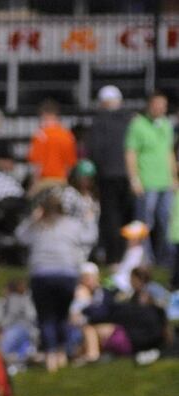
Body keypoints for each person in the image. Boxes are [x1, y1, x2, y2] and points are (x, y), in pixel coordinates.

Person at [15, 190, 97, 372]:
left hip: (41, 276)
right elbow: (90, 237)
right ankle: (61, 354)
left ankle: (51, 358)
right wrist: (90, 218)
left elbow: (20, 236)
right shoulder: (72, 224)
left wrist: (31, 218)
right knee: (61, 315)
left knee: (46, 317)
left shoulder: (37, 226)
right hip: (66, 275)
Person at [125, 91, 176, 266]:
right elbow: (131, 153)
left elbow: (169, 152)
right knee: (146, 222)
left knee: (166, 220)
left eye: (163, 105)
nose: (160, 108)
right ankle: (145, 258)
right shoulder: (138, 124)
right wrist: (134, 178)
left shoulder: (166, 125)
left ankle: (165, 259)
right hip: (147, 181)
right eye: (157, 104)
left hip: (165, 182)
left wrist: (174, 177)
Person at [87, 85, 134, 264]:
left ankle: (113, 256)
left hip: (108, 175)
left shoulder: (99, 121)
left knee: (111, 216)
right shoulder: (130, 119)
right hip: (128, 175)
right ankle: (127, 255)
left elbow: (95, 150)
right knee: (126, 216)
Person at [27, 99, 77, 192]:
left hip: (44, 182)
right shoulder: (67, 135)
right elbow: (69, 165)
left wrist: (33, 184)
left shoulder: (40, 135)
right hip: (61, 181)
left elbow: (37, 164)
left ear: (44, 115)